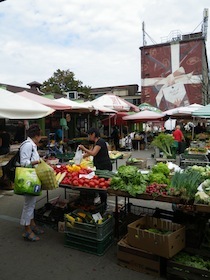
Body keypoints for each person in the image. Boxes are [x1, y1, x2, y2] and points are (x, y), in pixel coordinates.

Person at [20, 124, 44, 241]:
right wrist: (37, 162)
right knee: (28, 205)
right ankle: (27, 230)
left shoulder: (33, 145)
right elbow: (24, 162)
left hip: (34, 178)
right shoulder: (27, 145)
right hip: (29, 179)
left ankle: (32, 224)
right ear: (36, 135)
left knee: (32, 204)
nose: (41, 137)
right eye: (40, 134)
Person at [78, 128, 112, 208]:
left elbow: (93, 153)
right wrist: (79, 157)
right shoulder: (96, 143)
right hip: (100, 166)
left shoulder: (100, 142)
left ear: (93, 134)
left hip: (104, 166)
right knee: (101, 185)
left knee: (103, 186)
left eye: (89, 135)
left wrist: (84, 148)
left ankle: (104, 204)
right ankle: (102, 203)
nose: (88, 137)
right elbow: (89, 153)